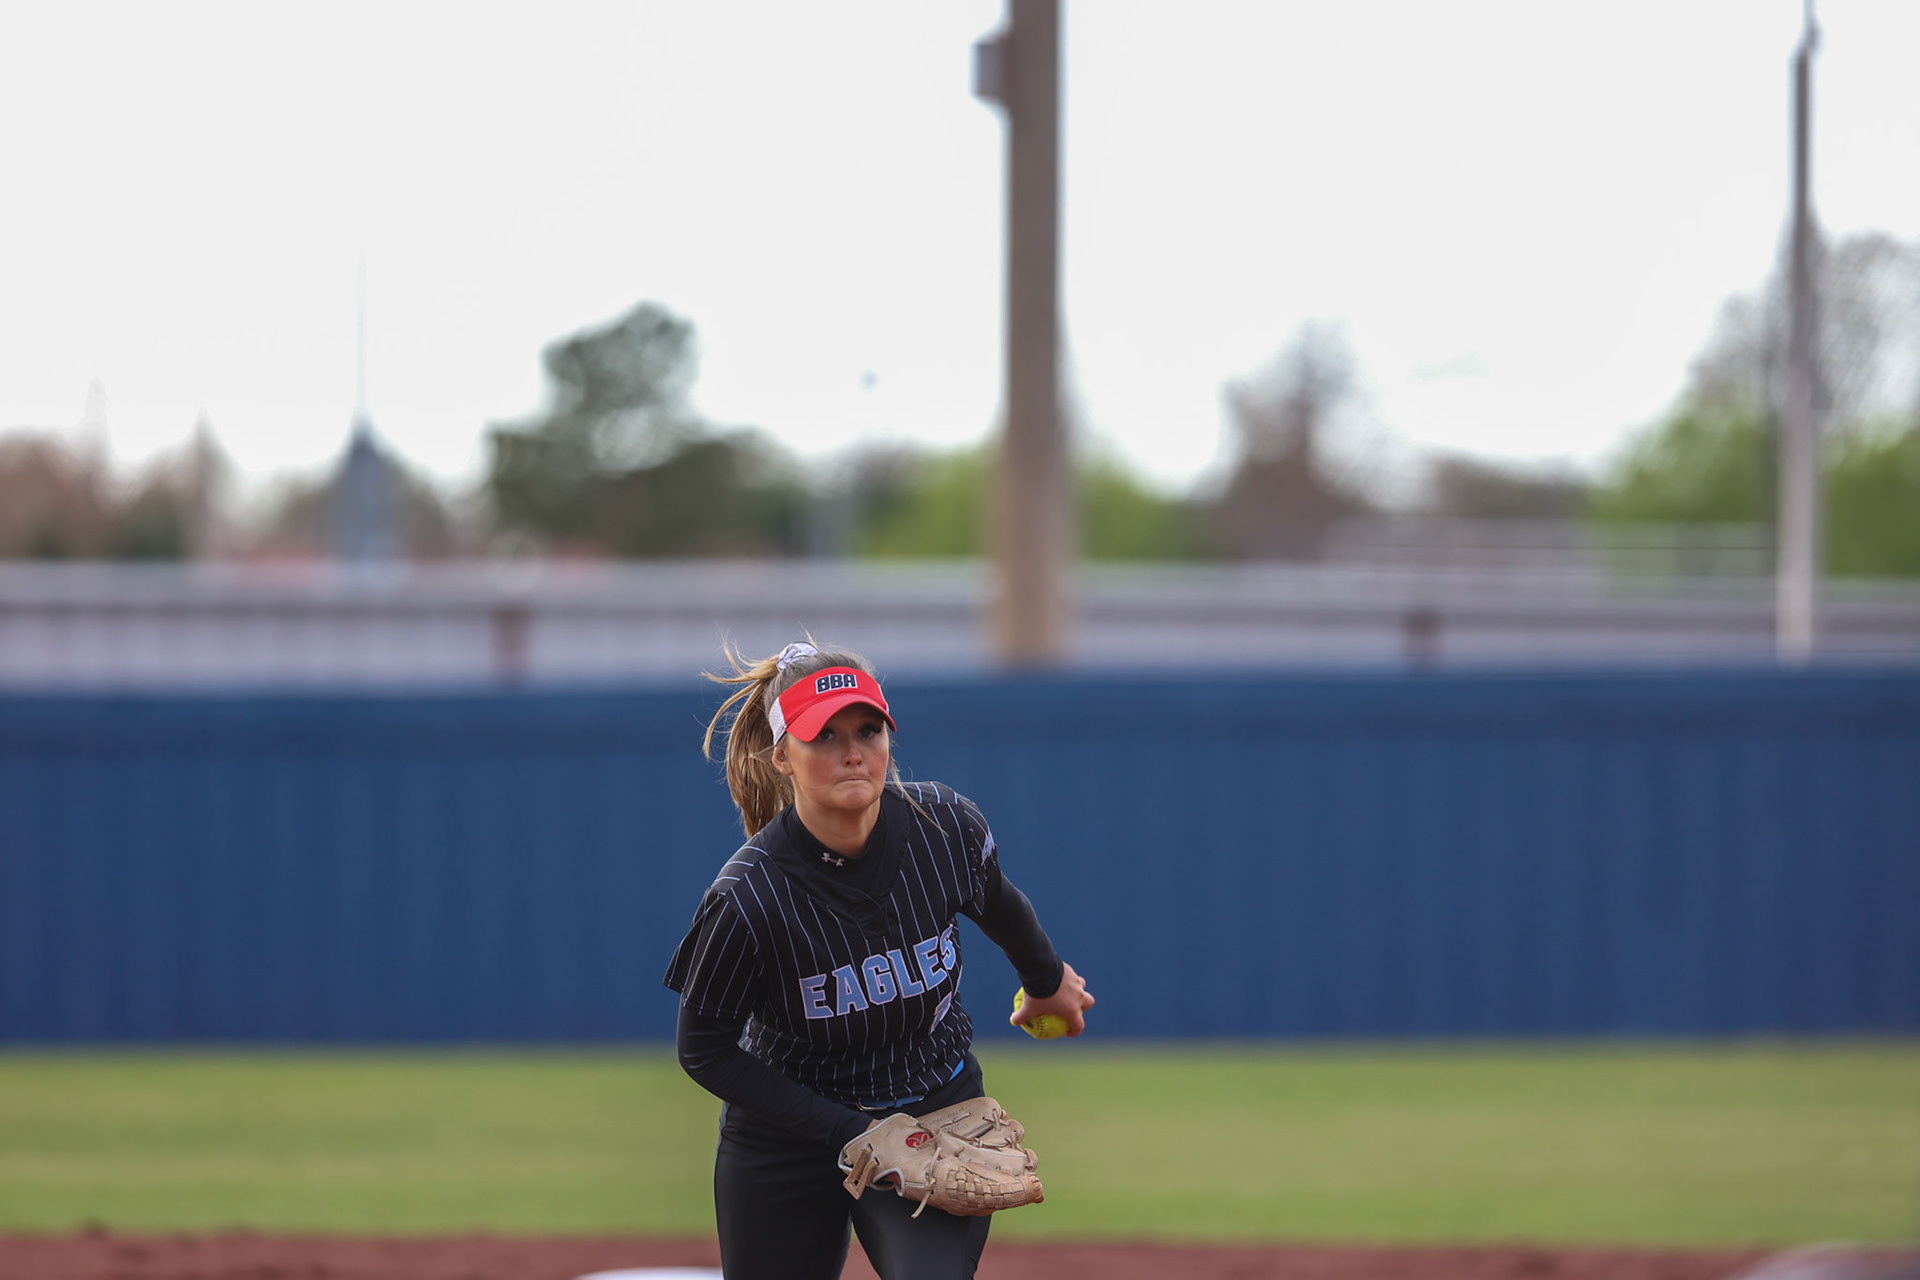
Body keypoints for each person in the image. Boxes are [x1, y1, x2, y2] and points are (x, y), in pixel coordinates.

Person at [665, 640, 1094, 1280]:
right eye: (824, 735)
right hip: (790, 1133)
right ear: (782, 755)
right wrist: (850, 1129)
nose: (852, 750)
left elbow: (997, 902)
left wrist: (1046, 980)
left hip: (931, 1112)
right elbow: (704, 1050)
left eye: (868, 729)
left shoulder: (942, 826)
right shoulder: (748, 897)